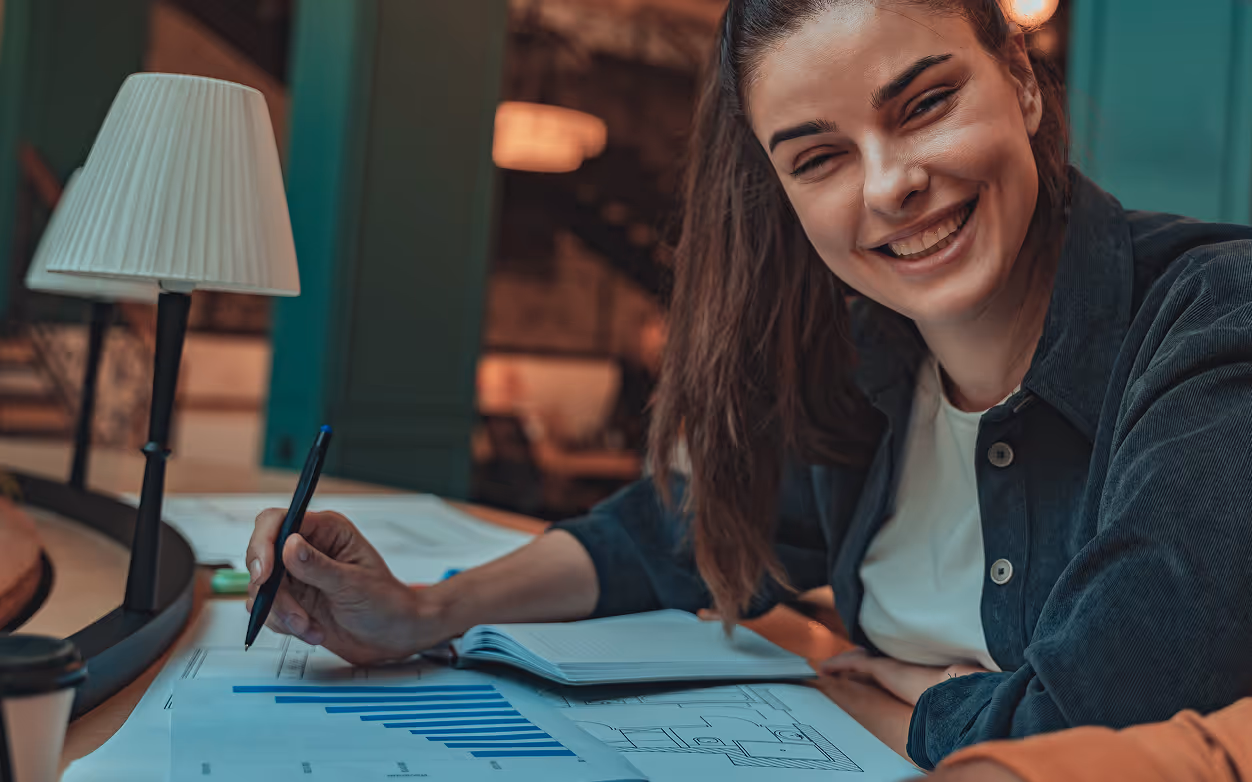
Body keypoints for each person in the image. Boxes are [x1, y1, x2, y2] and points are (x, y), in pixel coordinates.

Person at [245, 0, 1252, 770]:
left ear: (1021, 82)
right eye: (819, 158)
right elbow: (674, 533)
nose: (888, 183)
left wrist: (911, 701)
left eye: (927, 104)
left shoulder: (1212, 318)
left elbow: (1106, 727)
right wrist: (425, 609)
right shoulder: (864, 366)